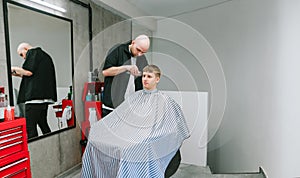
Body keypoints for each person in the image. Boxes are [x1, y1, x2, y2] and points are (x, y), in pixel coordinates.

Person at [81, 65, 190, 178]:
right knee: (95, 139)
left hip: (149, 137)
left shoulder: (164, 100)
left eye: (149, 76)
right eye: (143, 76)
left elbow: (170, 127)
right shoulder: (135, 97)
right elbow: (121, 116)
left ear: (157, 79)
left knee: (126, 150)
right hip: (131, 134)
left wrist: (146, 136)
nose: (145, 79)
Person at [11, 42, 57, 139]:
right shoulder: (44, 56)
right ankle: (48, 145)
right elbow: (33, 75)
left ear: (26, 49)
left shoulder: (33, 53)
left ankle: (34, 152)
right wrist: (15, 73)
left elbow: (28, 72)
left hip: (34, 98)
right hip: (44, 99)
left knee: (30, 128)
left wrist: (11, 68)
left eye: (21, 54)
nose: (23, 58)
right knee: (44, 126)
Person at [101, 34, 150, 117]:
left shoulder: (142, 58)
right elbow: (106, 72)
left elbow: (145, 75)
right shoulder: (117, 50)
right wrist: (126, 68)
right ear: (133, 42)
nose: (139, 54)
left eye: (143, 52)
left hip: (131, 106)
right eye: (138, 50)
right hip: (112, 106)